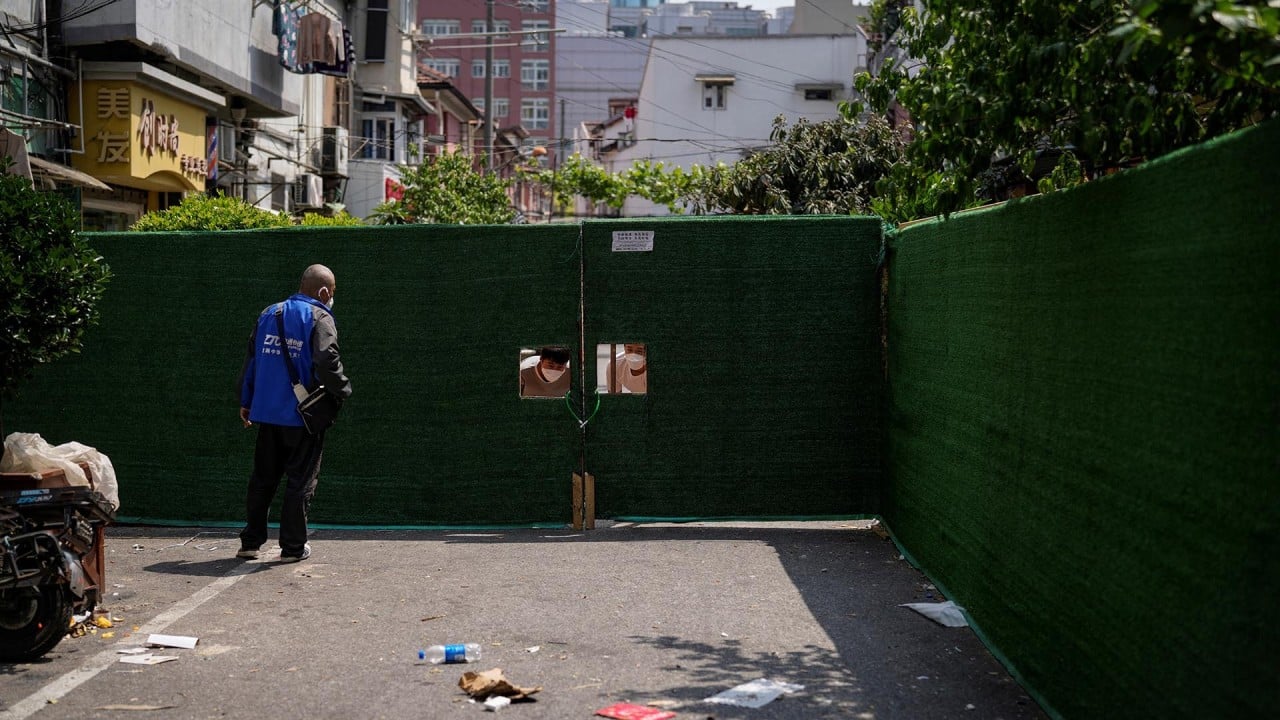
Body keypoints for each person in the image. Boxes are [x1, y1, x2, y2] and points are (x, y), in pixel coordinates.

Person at [236, 264, 351, 563]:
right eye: (332, 292)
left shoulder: (268, 314)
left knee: (263, 479)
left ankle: (250, 542)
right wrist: (343, 388)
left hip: (266, 413)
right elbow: (327, 359)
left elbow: (252, 360)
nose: (331, 298)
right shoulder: (320, 317)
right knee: (300, 482)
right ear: (324, 292)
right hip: (302, 417)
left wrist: (246, 400)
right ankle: (292, 547)